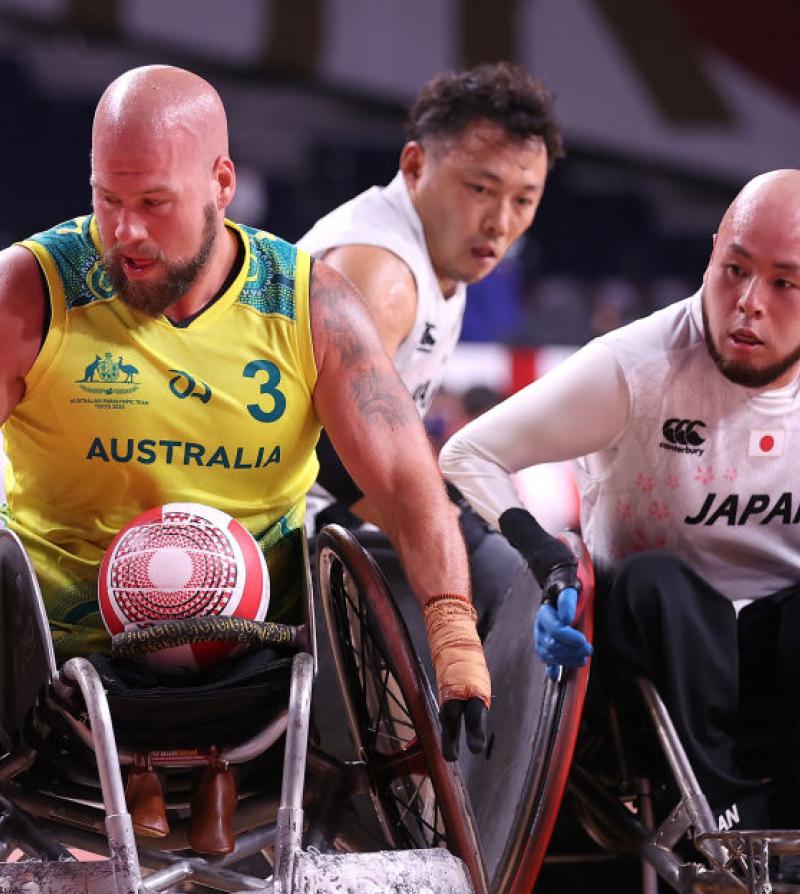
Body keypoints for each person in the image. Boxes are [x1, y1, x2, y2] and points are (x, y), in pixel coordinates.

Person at [0, 65, 491, 847]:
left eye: (153, 203)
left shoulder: (309, 301)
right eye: (107, 199)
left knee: (354, 560)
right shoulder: (31, 287)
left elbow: (404, 478)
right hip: (56, 654)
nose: (125, 231)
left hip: (259, 652)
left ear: (222, 182)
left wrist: (454, 632)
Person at [441, 169, 800, 833]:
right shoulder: (639, 365)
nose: (750, 301)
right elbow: (467, 454)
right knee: (657, 583)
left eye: (785, 282)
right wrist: (550, 562)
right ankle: (718, 825)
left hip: (781, 665)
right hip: (650, 665)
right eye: (735, 269)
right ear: (712, 251)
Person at [297, 61, 563, 534]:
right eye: (481, 189)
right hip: (282, 530)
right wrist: (440, 530)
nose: (500, 223)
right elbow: (323, 450)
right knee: (493, 562)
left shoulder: (439, 255)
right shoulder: (380, 271)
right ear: (416, 166)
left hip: (326, 518)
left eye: (523, 200)